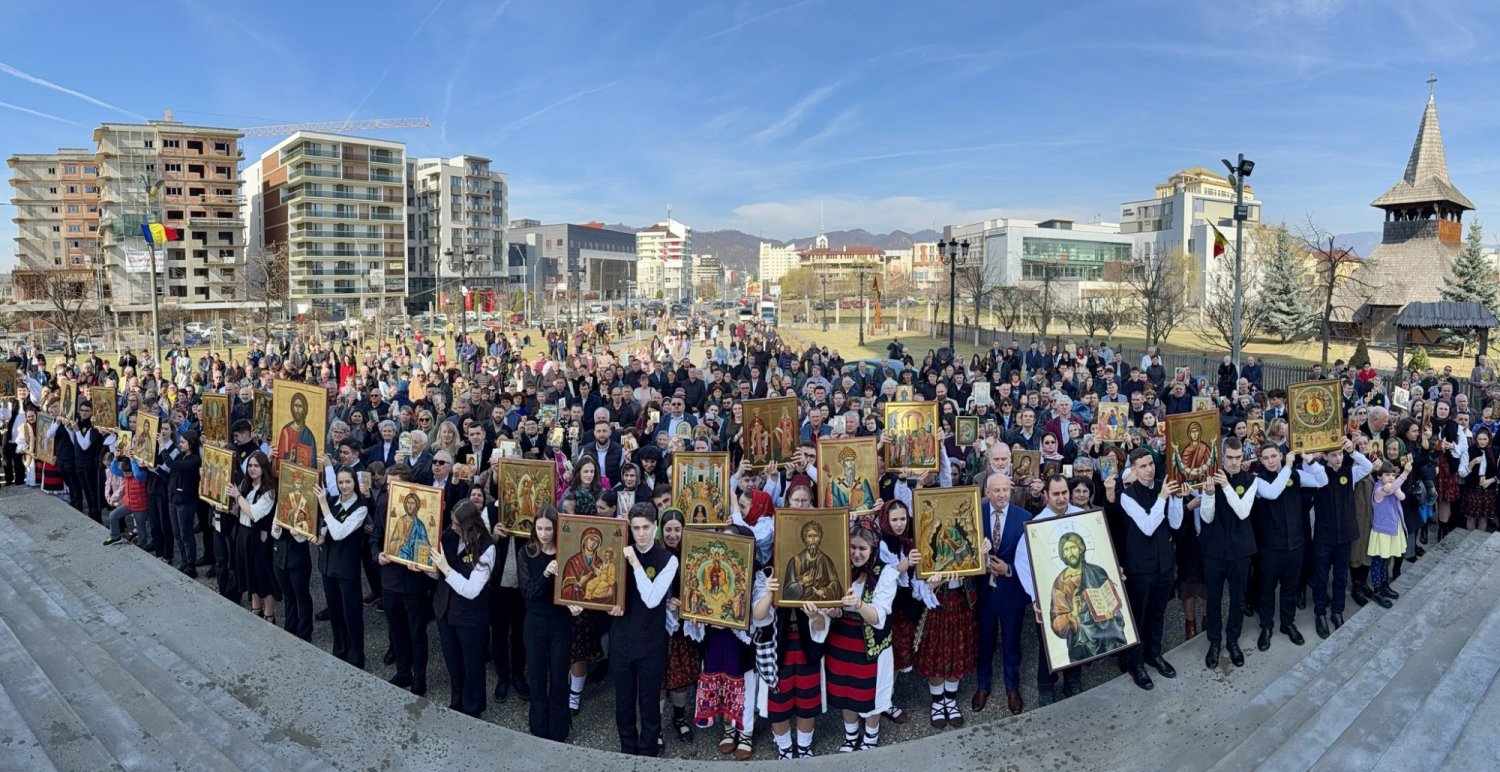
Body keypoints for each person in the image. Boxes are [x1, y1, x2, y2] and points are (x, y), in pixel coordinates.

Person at [824, 521, 898, 752]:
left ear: (873, 548)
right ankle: (851, 735)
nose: (856, 553)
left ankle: (871, 736)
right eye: (853, 547)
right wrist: (833, 610)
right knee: (845, 690)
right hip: (841, 639)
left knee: (869, 693)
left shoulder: (885, 573)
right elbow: (834, 607)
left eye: (862, 549)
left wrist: (857, 603)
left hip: (870, 643)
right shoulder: (839, 568)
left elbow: (877, 617)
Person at [610, 503, 679, 756]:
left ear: (656, 527)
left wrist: (635, 562)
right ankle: (627, 750)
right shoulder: (619, 552)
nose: (641, 533)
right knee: (624, 702)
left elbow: (652, 598)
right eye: (636, 527)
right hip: (621, 640)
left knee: (649, 704)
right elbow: (607, 588)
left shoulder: (668, 560)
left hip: (651, 643)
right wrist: (609, 604)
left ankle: (648, 753)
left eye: (646, 527)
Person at [1117, 448, 1186, 691]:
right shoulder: (1128, 495)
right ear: (1133, 470)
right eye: (1143, 466)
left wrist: (1177, 498)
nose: (1149, 469)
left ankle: (1153, 653)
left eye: (1151, 464)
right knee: (1139, 617)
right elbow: (1147, 525)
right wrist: (1164, 497)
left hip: (1164, 564)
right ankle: (1135, 664)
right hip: (1140, 567)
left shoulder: (1162, 486)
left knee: (1158, 613)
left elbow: (1175, 523)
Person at [1252, 445, 1327, 652]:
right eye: (1266, 457)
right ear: (1261, 460)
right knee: (1267, 590)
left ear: (1280, 455)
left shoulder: (1295, 474)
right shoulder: (1258, 480)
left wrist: (1310, 461)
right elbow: (1272, 493)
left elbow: (1323, 481)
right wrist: (1287, 466)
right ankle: (1266, 627)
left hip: (1295, 544)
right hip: (1269, 547)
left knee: (1290, 588)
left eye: (1274, 456)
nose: (1270, 461)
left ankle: (1287, 623)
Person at [973, 471, 1032, 715]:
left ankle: (1012, 687)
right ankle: (983, 685)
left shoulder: (1025, 518)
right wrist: (978, 561)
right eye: (996, 490)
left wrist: (1008, 569)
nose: (1001, 495)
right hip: (984, 592)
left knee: (1011, 641)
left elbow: (1030, 560)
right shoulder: (974, 515)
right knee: (984, 641)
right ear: (987, 492)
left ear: (1011, 491)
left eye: (1005, 490)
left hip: (1011, 592)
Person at [431, 500, 497, 718]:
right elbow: (436, 572)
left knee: (472, 665)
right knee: (453, 660)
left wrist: (445, 568)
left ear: (469, 525)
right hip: (445, 610)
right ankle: (457, 699)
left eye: (456, 524)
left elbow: (471, 589)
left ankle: (474, 707)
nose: (452, 527)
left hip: (470, 616)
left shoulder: (487, 547)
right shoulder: (449, 536)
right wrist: (425, 568)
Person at [1197, 438, 1257, 668]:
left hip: (1241, 551)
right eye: (1229, 457)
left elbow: (1243, 511)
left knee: (1238, 600)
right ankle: (1214, 642)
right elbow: (1206, 517)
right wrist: (1210, 494)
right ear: (1222, 456)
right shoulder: (1211, 477)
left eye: (1238, 457)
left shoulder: (1251, 480)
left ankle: (1233, 641)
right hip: (1214, 550)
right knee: (1213, 599)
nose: (1233, 462)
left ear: (1243, 457)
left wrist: (1226, 487)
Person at [519, 507, 576, 742]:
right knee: (538, 675)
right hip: (535, 622)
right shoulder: (527, 553)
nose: (543, 533)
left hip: (560, 622)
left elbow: (575, 587)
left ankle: (560, 728)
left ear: (556, 528)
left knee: (560, 676)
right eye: (540, 528)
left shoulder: (566, 552)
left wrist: (575, 604)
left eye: (548, 529)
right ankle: (538, 725)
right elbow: (528, 592)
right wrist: (545, 574)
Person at [1310, 440, 1373, 639]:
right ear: (1326, 457)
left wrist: (1352, 451)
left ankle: (1337, 610)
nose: (1338, 458)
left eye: (1340, 454)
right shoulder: (1318, 474)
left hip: (1345, 534)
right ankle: (1320, 613)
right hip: (1324, 535)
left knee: (1340, 576)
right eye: (1333, 455)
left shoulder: (1349, 472)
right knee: (1320, 577)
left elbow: (1368, 467)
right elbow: (1310, 469)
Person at [316, 469, 368, 669]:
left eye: (348, 482)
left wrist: (323, 505)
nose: (344, 486)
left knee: (351, 612)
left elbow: (339, 532)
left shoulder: (360, 507)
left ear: (354, 483)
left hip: (346, 568)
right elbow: (326, 529)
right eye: (340, 482)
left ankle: (356, 653)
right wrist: (318, 536)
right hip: (328, 565)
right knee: (335, 610)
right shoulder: (334, 502)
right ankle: (339, 648)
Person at [228, 451, 279, 623]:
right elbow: (240, 511)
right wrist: (229, 506)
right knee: (248, 573)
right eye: (250, 465)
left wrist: (238, 496)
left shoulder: (269, 491)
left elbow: (254, 513)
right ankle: (255, 607)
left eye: (256, 466)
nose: (252, 469)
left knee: (263, 576)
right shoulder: (246, 485)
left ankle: (269, 613)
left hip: (258, 537)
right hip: (243, 533)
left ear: (264, 468)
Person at [781, 519, 842, 603]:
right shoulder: (795, 561)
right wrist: (802, 582)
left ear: (819, 539)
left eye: (816, 536)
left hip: (820, 607)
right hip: (799, 609)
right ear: (805, 539)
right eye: (810, 536)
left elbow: (835, 583)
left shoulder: (825, 560)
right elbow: (786, 592)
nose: (813, 540)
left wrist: (824, 591)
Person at [276, 391, 318, 469]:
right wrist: (288, 462)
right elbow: (278, 459)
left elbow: (313, 464)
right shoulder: (285, 432)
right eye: (295, 406)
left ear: (304, 410)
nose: (297, 410)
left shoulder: (309, 435)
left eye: (300, 406)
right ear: (292, 408)